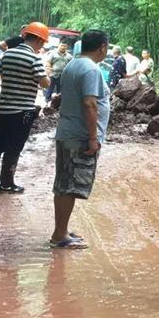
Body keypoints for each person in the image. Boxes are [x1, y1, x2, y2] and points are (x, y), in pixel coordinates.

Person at [51, 30, 110, 250]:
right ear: (102, 47)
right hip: (79, 136)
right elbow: (89, 104)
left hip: (69, 132)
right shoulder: (91, 69)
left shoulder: (72, 65)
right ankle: (59, 235)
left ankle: (61, 230)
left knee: (64, 182)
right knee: (69, 185)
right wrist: (93, 137)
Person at [0, 22, 51, 194]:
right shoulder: (34, 58)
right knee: (14, 148)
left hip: (4, 109)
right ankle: (6, 183)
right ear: (40, 41)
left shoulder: (8, 54)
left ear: (25, 36)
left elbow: (3, 75)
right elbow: (45, 83)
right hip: (23, 111)